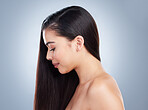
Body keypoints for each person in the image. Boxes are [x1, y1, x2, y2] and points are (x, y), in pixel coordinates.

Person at [34, 6, 125, 110]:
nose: (48, 57)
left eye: (52, 48)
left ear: (78, 43)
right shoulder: (79, 87)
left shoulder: (100, 88)